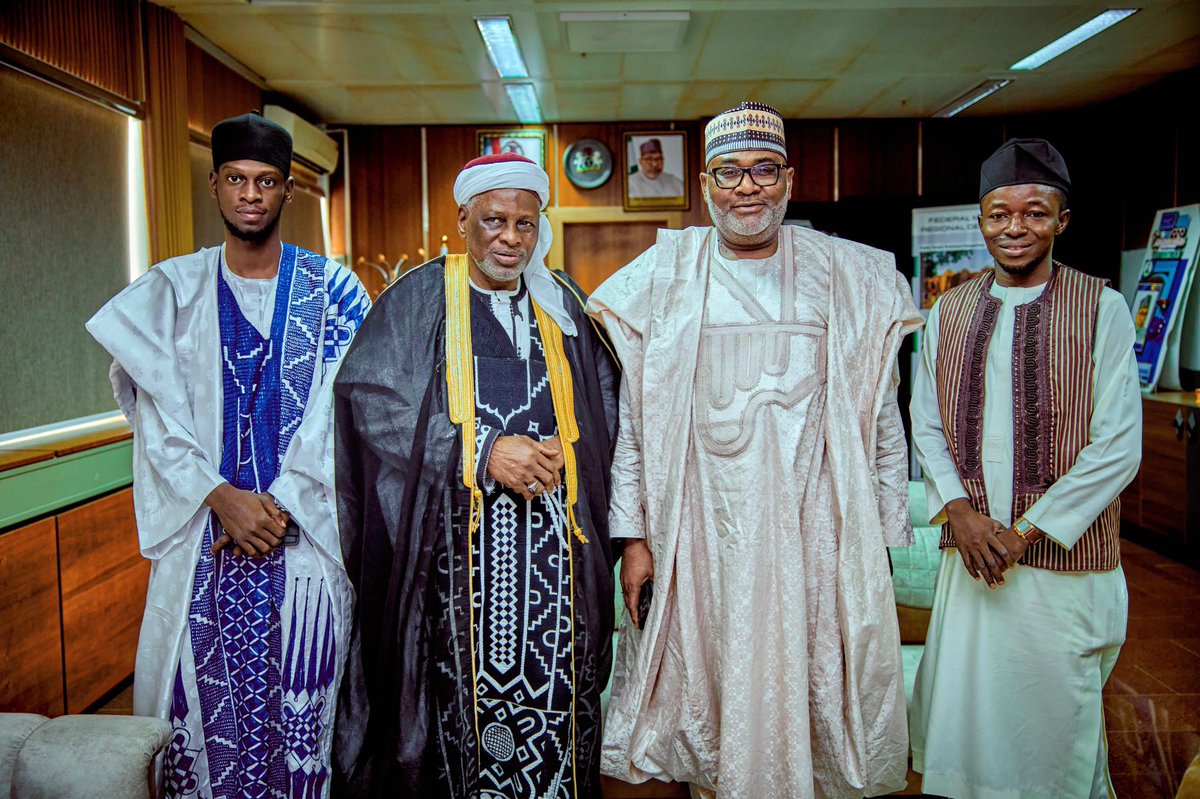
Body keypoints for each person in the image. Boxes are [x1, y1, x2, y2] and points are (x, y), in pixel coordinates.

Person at [588, 101, 921, 798]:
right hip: (702, 531)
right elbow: (636, 425)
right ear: (707, 183)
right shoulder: (667, 275)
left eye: (763, 170)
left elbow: (882, 416)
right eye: (731, 173)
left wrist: (881, 535)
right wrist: (635, 539)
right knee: (712, 690)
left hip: (814, 530)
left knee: (810, 687)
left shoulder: (845, 275)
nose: (748, 188)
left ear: (789, 179)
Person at [86, 111, 370, 798]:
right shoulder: (171, 291)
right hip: (202, 548)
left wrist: (278, 506)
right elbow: (153, 416)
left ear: (287, 193)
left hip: (304, 547)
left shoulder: (336, 293)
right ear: (213, 185)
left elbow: (352, 409)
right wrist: (222, 497)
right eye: (237, 179)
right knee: (193, 721)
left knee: (306, 720)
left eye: (266, 181)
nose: (251, 194)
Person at [332, 153, 620, 798]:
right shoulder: (419, 296)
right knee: (455, 707)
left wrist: (570, 455)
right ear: (462, 218)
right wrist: (484, 450)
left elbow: (608, 407)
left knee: (560, 699)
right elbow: (371, 402)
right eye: (493, 221)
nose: (510, 239)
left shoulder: (564, 301)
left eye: (524, 223)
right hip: (454, 559)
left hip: (557, 557)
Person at [908, 138, 1142, 798]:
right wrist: (959, 510)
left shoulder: (1103, 309)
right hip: (973, 561)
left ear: (1062, 220)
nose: (1016, 227)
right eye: (999, 213)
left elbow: (1118, 445)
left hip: (1061, 569)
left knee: (1054, 737)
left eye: (1035, 212)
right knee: (968, 724)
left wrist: (1026, 531)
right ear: (980, 220)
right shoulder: (948, 310)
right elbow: (925, 421)